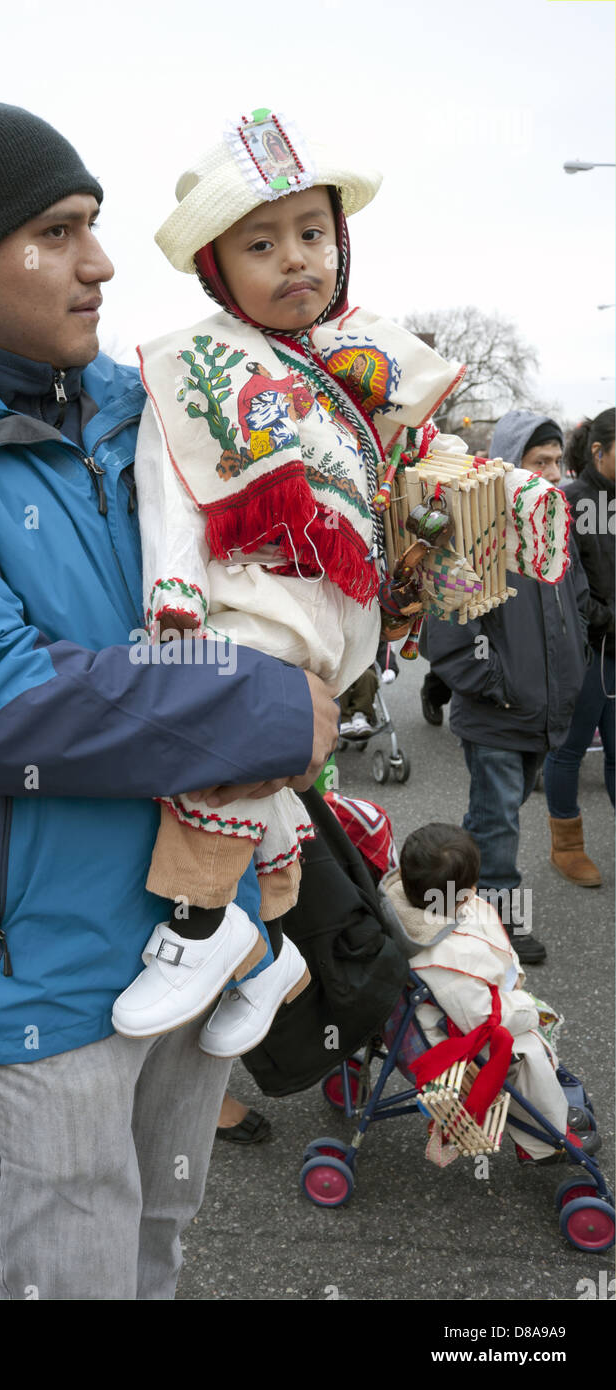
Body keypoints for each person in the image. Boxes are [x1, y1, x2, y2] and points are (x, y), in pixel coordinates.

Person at [0, 101, 341, 1302]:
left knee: (157, 1241)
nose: (98, 260)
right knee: (75, 1271)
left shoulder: (145, 407)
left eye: (93, 224)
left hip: (197, 929)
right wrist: (267, 706)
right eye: (54, 230)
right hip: (38, 960)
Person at [111, 107, 467, 1055]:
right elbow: (173, 485)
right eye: (261, 245)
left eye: (312, 234)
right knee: (229, 750)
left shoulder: (362, 357)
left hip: (339, 617)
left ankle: (237, 941)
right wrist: (174, 590)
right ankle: (226, 935)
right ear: (217, 267)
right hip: (257, 603)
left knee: (258, 765)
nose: (295, 259)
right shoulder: (197, 366)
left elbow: (414, 461)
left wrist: (453, 510)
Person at [425, 411, 590, 965]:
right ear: (508, 465)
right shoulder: (475, 529)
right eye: (536, 461)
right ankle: (503, 926)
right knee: (497, 820)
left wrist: (575, 661)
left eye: (555, 461)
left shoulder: (552, 522)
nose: (549, 472)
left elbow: (578, 603)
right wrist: (495, 683)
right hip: (498, 711)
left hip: (542, 709)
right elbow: (446, 627)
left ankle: (455, 897)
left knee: (494, 814)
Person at [381, 823, 598, 1163]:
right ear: (465, 892)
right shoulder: (446, 962)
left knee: (529, 1031)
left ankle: (552, 1110)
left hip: (455, 1011)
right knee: (527, 1054)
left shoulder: (410, 904)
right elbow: (482, 1020)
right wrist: (526, 1009)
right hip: (452, 1037)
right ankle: (544, 1140)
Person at [544, 408, 615, 884]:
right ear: (598, 451)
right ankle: (567, 848)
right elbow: (569, 590)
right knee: (569, 750)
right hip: (588, 652)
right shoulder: (569, 501)